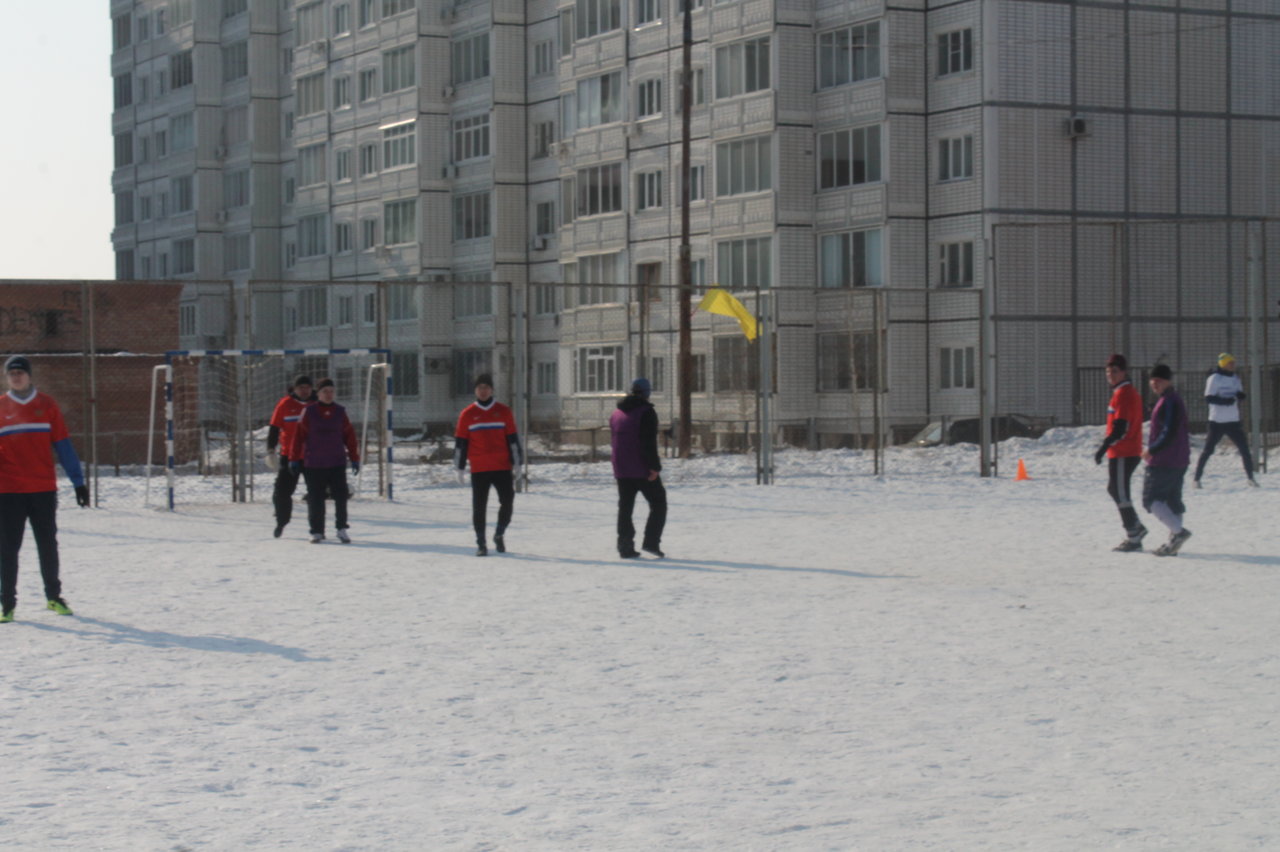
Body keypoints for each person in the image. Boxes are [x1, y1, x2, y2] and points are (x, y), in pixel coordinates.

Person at [0, 355, 90, 623]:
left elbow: (63, 444)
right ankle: (7, 604)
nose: (16, 377)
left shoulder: (47, 404)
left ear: (29, 375)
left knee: (47, 544)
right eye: (12, 373)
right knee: (7, 548)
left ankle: (54, 597)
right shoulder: (1, 406)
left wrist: (78, 481)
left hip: (42, 488)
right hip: (9, 490)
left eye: (21, 372)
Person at [454, 374, 522, 556]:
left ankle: (499, 533)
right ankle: (481, 543)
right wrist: (459, 467)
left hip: (501, 466)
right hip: (479, 468)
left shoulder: (504, 411)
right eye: (479, 388)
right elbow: (461, 443)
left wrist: (517, 463)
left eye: (486, 387)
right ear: (475, 391)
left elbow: (513, 439)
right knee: (479, 507)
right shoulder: (467, 414)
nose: (483, 391)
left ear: (492, 390)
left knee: (507, 501)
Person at [288, 378, 359, 544]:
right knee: (315, 497)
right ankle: (317, 531)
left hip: (336, 461)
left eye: (331, 391)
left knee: (341, 496)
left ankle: (341, 528)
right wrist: (293, 458)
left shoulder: (340, 412)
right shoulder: (309, 412)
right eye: (325, 391)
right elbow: (298, 437)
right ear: (318, 394)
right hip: (314, 463)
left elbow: (349, 437)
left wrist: (354, 458)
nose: (328, 394)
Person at [609, 378, 666, 559]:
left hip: (621, 466)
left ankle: (625, 546)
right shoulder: (646, 412)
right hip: (641, 467)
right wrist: (654, 467)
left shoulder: (616, 413)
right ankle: (651, 542)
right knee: (658, 503)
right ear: (647, 393)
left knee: (625, 507)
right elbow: (648, 442)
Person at [1095, 354, 1147, 552]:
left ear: (1124, 372)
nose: (1111, 375)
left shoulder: (1124, 394)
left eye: (1115, 371)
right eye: (1108, 372)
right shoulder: (1120, 392)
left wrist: (1104, 446)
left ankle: (1134, 536)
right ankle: (1137, 528)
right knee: (1114, 489)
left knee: (1120, 492)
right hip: (1120, 451)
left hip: (1125, 451)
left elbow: (1121, 427)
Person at [1142, 364, 1192, 557]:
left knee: (1151, 499)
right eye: (1153, 380)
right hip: (1179, 457)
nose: (1155, 383)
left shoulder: (1170, 401)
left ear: (1168, 381)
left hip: (1165, 459)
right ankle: (1174, 542)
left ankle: (1178, 533)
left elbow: (1168, 431)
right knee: (1173, 500)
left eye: (1160, 380)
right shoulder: (1170, 399)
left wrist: (1152, 449)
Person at [1194, 353, 1257, 488]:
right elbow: (1209, 398)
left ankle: (1251, 478)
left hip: (1233, 421)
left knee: (1244, 449)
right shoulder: (1214, 378)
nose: (1233, 365)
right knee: (1208, 451)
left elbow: (1238, 394)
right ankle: (1196, 479)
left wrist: (1240, 396)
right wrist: (1224, 401)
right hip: (1217, 421)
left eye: (1233, 362)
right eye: (1230, 363)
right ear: (1223, 364)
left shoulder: (1235, 378)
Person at [266, 375, 316, 538]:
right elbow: (274, 428)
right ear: (294, 389)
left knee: (316, 493)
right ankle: (281, 522)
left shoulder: (318, 404)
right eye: (301, 387)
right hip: (289, 456)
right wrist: (271, 450)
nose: (304, 390)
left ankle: (317, 529)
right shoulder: (285, 404)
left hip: (313, 456)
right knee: (282, 491)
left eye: (307, 387)